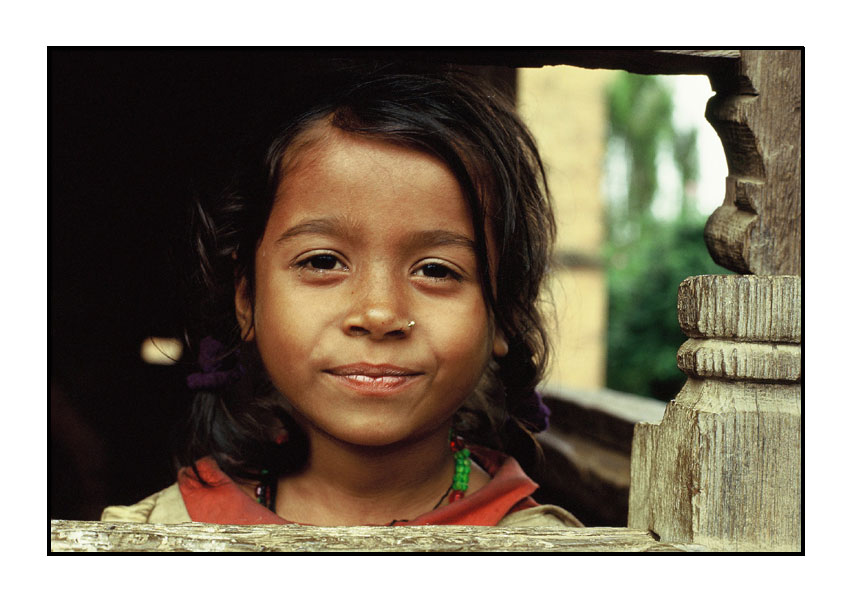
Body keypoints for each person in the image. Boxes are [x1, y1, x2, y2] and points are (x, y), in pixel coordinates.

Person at [101, 67, 582, 528]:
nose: (378, 313)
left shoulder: (549, 555)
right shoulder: (155, 537)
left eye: (435, 270)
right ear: (246, 296)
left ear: (507, 315)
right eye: (322, 262)